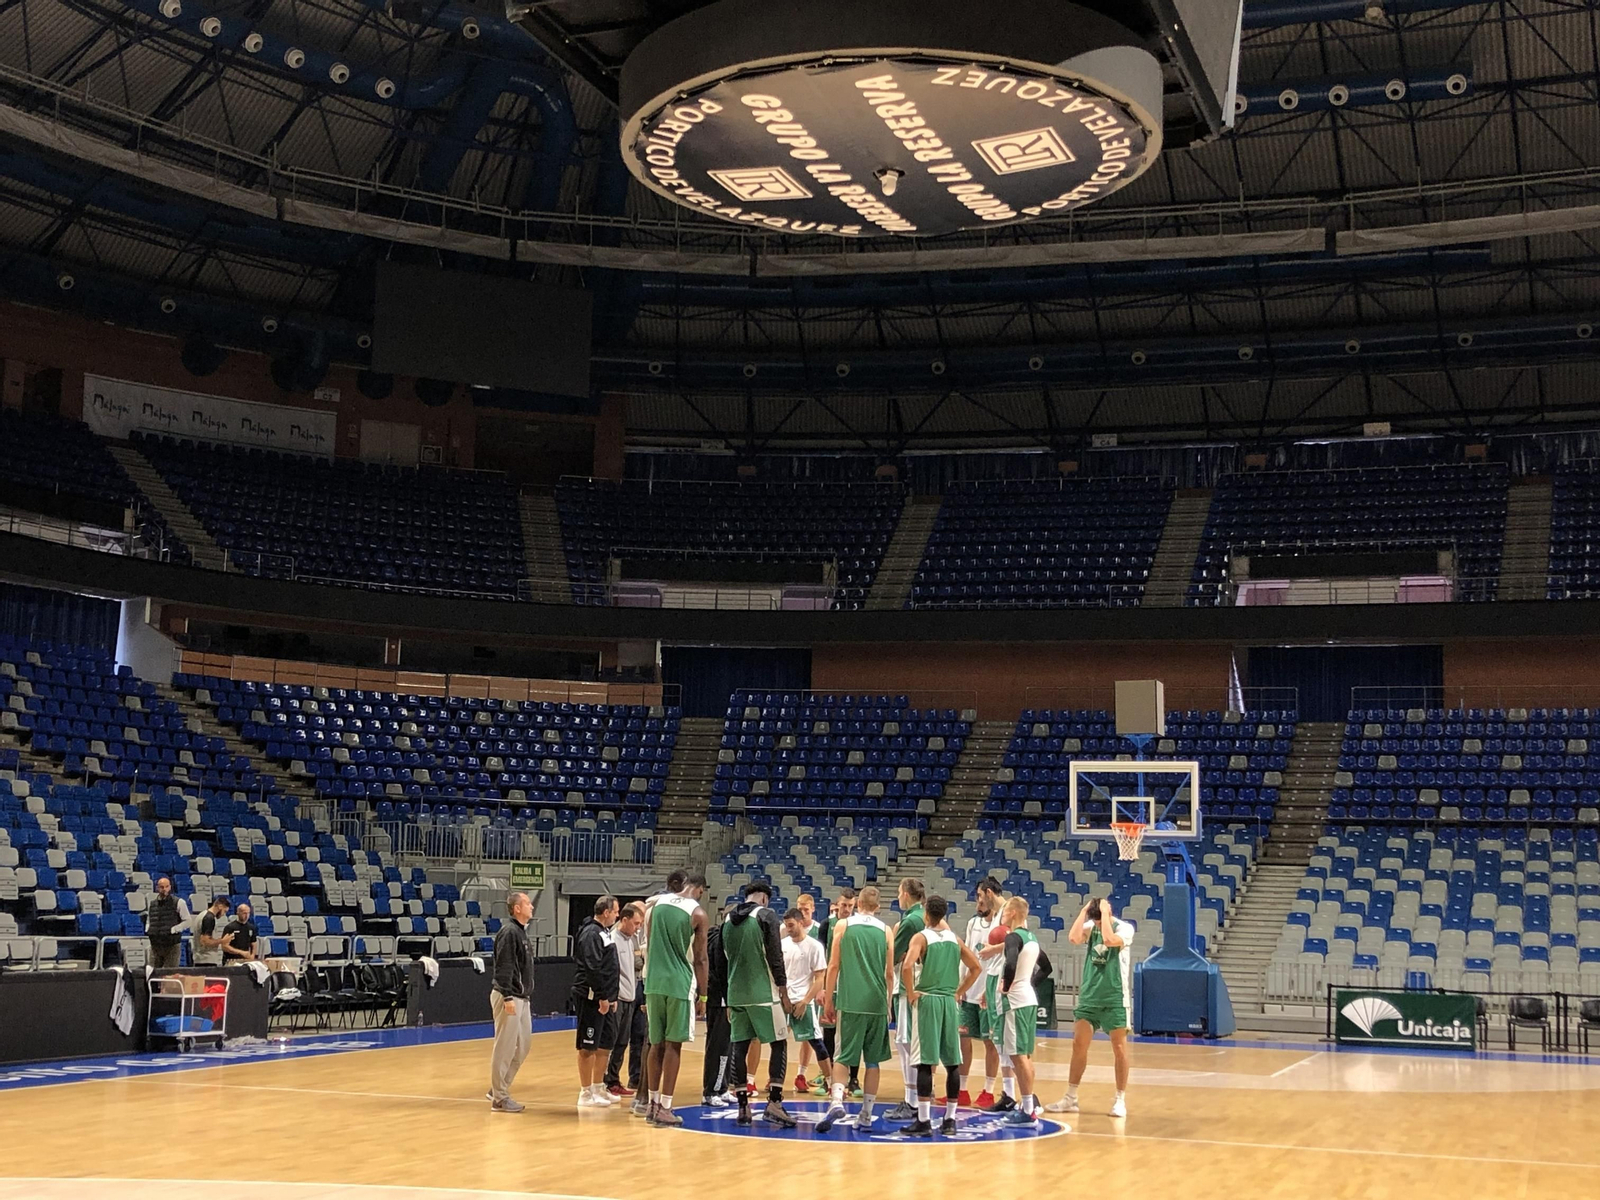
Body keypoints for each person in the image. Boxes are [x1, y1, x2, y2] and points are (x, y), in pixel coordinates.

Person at [900, 894, 983, 1137]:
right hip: (949, 1001)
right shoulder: (954, 939)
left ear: (926, 913)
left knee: (925, 1062)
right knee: (952, 1062)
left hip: (928, 1000)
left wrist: (910, 992)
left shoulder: (921, 937)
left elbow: (907, 966)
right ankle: (950, 1120)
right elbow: (976, 967)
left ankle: (924, 1120)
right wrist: (959, 991)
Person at [816, 885, 895, 1135]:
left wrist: (829, 998)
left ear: (858, 904)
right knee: (872, 1061)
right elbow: (889, 973)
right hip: (877, 1003)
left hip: (851, 1000)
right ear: (878, 907)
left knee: (842, 1055)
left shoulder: (843, 925)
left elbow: (833, 965)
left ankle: (837, 1101)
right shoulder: (886, 931)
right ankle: (867, 1114)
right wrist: (888, 1004)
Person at [1049, 897, 1135, 1118]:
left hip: (1114, 997)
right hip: (1089, 996)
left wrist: (1104, 914)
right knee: (1078, 1045)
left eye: (1098, 919)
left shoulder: (1125, 928)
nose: (1096, 923)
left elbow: (1109, 940)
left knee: (1119, 1049)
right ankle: (1071, 1097)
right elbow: (1073, 937)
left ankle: (1120, 1099)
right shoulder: (1091, 925)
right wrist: (1084, 911)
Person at [722, 880, 797, 1128]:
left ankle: (743, 1107)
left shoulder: (727, 919)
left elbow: (721, 960)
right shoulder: (766, 915)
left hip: (736, 993)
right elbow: (775, 956)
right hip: (763, 993)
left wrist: (727, 997)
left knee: (740, 1046)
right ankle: (774, 1102)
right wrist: (783, 990)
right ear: (764, 898)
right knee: (779, 1042)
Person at [642, 871, 709, 1127]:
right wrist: (704, 994)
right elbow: (700, 958)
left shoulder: (657, 904)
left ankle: (651, 1104)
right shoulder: (697, 913)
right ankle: (666, 1107)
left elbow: (650, 943)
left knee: (655, 1044)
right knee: (673, 1046)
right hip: (679, 982)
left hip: (653, 981)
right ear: (700, 889)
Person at [965, 876, 1017, 1109]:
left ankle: (993, 1091)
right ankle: (963, 1089)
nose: (978, 901)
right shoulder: (977, 922)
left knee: (995, 1042)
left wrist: (994, 949)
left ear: (988, 893)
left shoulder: (1007, 914)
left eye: (979, 895)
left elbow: (1019, 940)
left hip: (995, 986)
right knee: (965, 1038)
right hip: (976, 985)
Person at [995, 896, 1042, 1125]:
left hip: (1015, 1001)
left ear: (1013, 913)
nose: (1002, 915)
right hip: (1028, 998)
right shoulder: (1032, 938)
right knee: (1024, 1054)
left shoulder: (1013, 937)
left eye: (1004, 911)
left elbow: (1011, 963)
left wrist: (1006, 985)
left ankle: (1028, 1110)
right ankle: (1029, 1105)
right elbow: (1046, 968)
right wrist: (1028, 982)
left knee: (1017, 1055)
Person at [488, 891, 535, 1113]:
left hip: (522, 998)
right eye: (527, 903)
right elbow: (503, 966)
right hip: (509, 996)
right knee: (504, 1048)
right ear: (517, 908)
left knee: (524, 1046)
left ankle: (498, 1088)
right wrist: (507, 996)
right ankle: (499, 1097)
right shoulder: (509, 932)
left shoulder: (521, 932)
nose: (531, 906)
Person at [573, 895, 621, 1108]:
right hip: (591, 998)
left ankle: (598, 1087)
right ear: (606, 912)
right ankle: (585, 1093)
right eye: (616, 911)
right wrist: (602, 996)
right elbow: (592, 967)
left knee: (605, 1043)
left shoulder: (604, 932)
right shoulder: (591, 933)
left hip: (606, 999)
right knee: (588, 1045)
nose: (617, 915)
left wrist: (612, 996)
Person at [886, 877, 926, 1121]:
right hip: (923, 984)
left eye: (899, 892)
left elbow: (894, 954)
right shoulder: (924, 916)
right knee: (912, 1042)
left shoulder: (910, 920)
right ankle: (918, 1096)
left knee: (905, 1042)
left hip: (908, 986)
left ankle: (912, 1100)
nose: (898, 896)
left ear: (907, 895)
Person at [780, 907, 831, 1096]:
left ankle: (830, 1082)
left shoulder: (814, 946)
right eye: (786, 925)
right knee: (777, 1042)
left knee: (816, 1042)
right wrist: (782, 996)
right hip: (783, 1001)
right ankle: (775, 1080)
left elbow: (820, 978)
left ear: (801, 923)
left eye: (791, 925)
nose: (788, 929)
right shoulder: (782, 945)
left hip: (803, 1001)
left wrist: (805, 1001)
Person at [815, 888, 859, 1096]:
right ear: (836, 905)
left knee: (853, 1033)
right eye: (844, 905)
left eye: (850, 905)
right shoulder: (827, 925)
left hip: (852, 984)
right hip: (832, 984)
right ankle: (830, 1078)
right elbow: (822, 958)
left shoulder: (857, 925)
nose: (847, 909)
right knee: (829, 1032)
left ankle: (854, 1079)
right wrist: (823, 987)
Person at [604, 902, 647, 1099]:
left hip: (630, 996)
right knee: (611, 1041)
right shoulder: (612, 939)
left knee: (622, 1042)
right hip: (618, 998)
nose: (638, 928)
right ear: (624, 920)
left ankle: (613, 1080)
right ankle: (605, 1080)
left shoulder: (630, 940)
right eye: (636, 923)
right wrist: (611, 996)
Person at [700, 901, 735, 1108]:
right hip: (720, 999)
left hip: (724, 998)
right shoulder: (719, 938)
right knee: (719, 1046)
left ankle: (722, 1087)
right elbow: (719, 971)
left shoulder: (720, 937)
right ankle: (711, 1090)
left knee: (727, 1045)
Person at [144, 876, 184, 969]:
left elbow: (188, 921)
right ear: (157, 888)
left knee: (170, 973)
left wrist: (175, 929)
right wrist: (148, 929)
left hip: (172, 944)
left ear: (170, 887)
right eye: (162, 887)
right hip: (155, 944)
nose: (164, 889)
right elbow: (149, 919)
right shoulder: (152, 904)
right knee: (152, 972)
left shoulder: (179, 902)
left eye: (166, 886)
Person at [190, 896, 231, 968]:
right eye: (224, 911)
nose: (223, 915)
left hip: (199, 958)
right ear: (220, 906)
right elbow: (205, 941)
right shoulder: (209, 918)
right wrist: (222, 941)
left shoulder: (202, 915)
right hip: (206, 959)